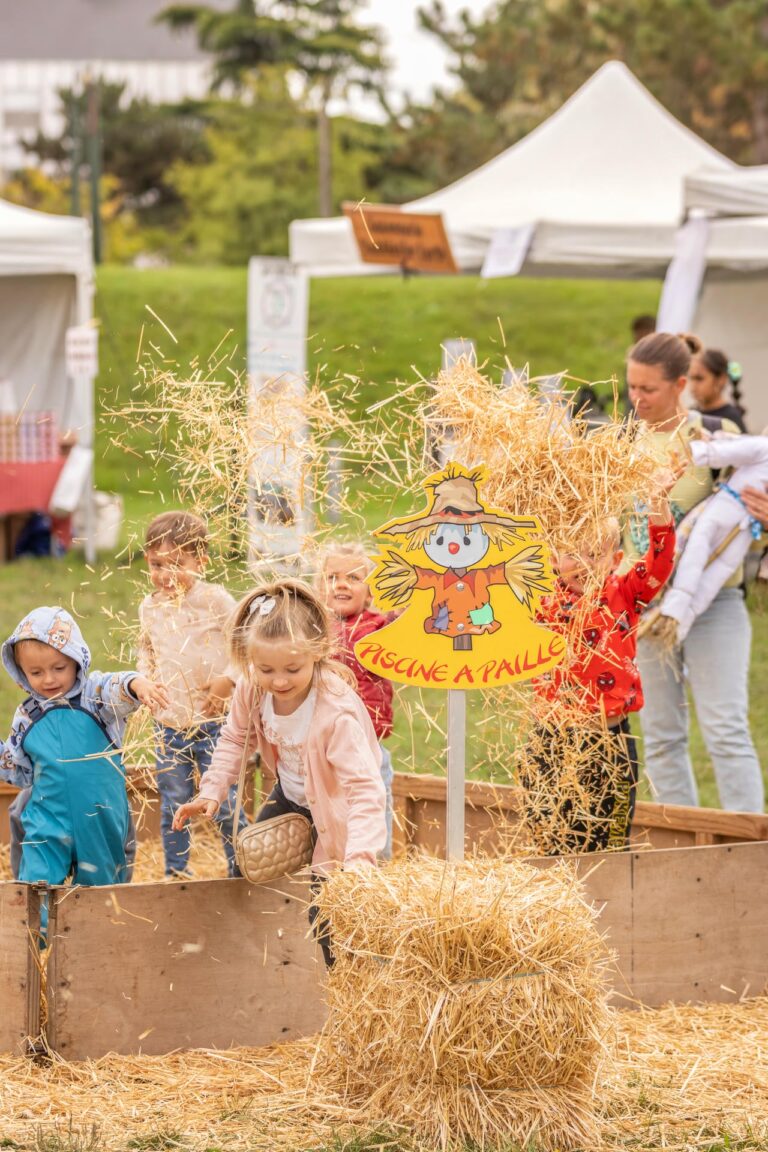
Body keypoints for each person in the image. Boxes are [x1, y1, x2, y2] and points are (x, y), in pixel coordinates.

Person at [172, 579, 387, 967]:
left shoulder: (335, 714)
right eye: (266, 668)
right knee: (247, 864)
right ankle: (251, 962)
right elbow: (235, 740)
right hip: (292, 794)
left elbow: (365, 791)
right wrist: (212, 791)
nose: (280, 680)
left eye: (293, 668)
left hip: (336, 811)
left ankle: (348, 984)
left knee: (327, 913)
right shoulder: (253, 689)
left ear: (318, 651)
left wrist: (359, 858)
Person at [626, 331, 764, 813]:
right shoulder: (615, 446)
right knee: (661, 736)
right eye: (632, 388)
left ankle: (750, 850)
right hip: (644, 606)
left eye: (649, 389)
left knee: (726, 731)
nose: (637, 399)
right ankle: (679, 851)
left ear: (680, 384)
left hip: (716, 605)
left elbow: (757, 491)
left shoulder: (715, 439)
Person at [525, 476, 676, 853]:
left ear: (615, 560)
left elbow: (660, 559)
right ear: (555, 558)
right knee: (549, 839)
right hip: (550, 739)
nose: (584, 563)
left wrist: (657, 505)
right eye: (574, 553)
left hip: (608, 740)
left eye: (596, 553)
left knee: (607, 844)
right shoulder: (541, 598)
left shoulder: (625, 593)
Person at [0, 606, 167, 892]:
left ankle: (95, 935)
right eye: (36, 672)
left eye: (58, 668)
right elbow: (16, 770)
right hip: (47, 818)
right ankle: (40, 935)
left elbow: (117, 686)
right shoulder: (27, 715)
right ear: (21, 673)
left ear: (77, 660)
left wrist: (138, 684)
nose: (49, 679)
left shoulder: (94, 697)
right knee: (36, 885)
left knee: (102, 892)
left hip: (101, 816)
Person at [138, 511, 246, 879]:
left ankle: (242, 869)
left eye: (176, 564)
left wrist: (227, 681)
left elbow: (246, 644)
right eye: (156, 565)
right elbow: (147, 651)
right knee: (173, 802)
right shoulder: (149, 607)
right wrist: (145, 683)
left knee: (226, 802)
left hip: (217, 724)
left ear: (201, 561)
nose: (166, 575)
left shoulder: (215, 601)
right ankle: (177, 874)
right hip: (170, 725)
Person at [317, 542, 394, 859]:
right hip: (325, 750)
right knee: (328, 815)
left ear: (371, 591)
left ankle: (377, 866)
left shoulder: (380, 627)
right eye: (332, 577)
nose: (342, 584)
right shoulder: (314, 628)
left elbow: (409, 629)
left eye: (353, 577)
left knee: (374, 803)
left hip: (368, 744)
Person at [657, 429, 768, 641]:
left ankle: (682, 622)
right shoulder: (762, 447)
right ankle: (674, 608)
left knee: (721, 570)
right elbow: (726, 451)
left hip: (744, 526)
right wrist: (696, 452)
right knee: (696, 553)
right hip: (724, 508)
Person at [687, 343, 748, 432]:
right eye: (690, 378)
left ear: (721, 380)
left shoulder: (731, 419)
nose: (693, 386)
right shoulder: (690, 415)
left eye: (699, 379)